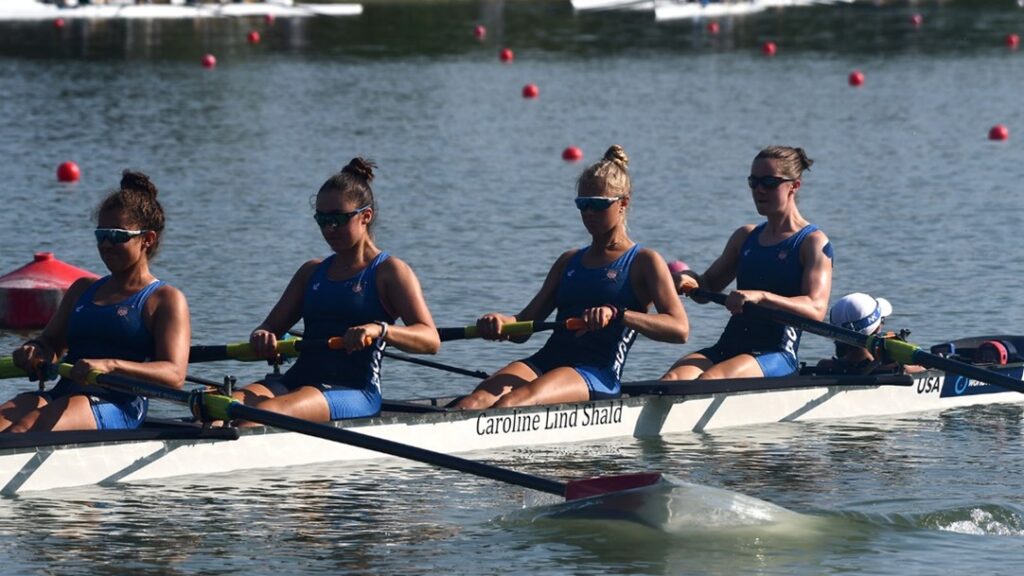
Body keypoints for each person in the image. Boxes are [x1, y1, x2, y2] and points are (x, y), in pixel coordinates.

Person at [455, 145, 690, 410]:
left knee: (511, 403)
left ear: (623, 203)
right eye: (582, 204)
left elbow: (679, 329)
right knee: (471, 403)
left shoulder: (644, 261)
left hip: (595, 373)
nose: (588, 212)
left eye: (597, 205)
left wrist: (619, 314)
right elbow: (524, 325)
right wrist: (499, 322)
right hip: (547, 360)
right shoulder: (569, 261)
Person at [232, 158, 440, 423]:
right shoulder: (310, 272)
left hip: (354, 391)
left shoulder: (390, 272)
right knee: (217, 407)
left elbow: (430, 339)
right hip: (297, 380)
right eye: (322, 219)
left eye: (338, 219)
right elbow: (268, 328)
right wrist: (262, 337)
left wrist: (380, 329)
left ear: (366, 216)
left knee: (258, 414)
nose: (329, 229)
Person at [3, 171, 191, 433]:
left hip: (118, 403)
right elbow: (50, 343)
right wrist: (35, 349)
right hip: (65, 391)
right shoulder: (82, 289)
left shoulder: (165, 299)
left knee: (24, 428)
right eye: (100, 235)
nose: (105, 244)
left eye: (116, 236)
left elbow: (174, 375)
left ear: (147, 239)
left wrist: (110, 365)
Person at [662, 145, 833, 381]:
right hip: (730, 345)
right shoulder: (745, 237)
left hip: (775, 353)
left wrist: (761, 297)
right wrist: (689, 278)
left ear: (794, 185)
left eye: (769, 182)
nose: (759, 190)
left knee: (709, 380)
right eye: (754, 182)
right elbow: (707, 288)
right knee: (673, 380)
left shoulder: (812, 242)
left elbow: (816, 309)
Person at [817, 292, 922, 374]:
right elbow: (926, 368)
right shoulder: (899, 369)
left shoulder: (824, 366)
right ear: (877, 329)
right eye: (882, 320)